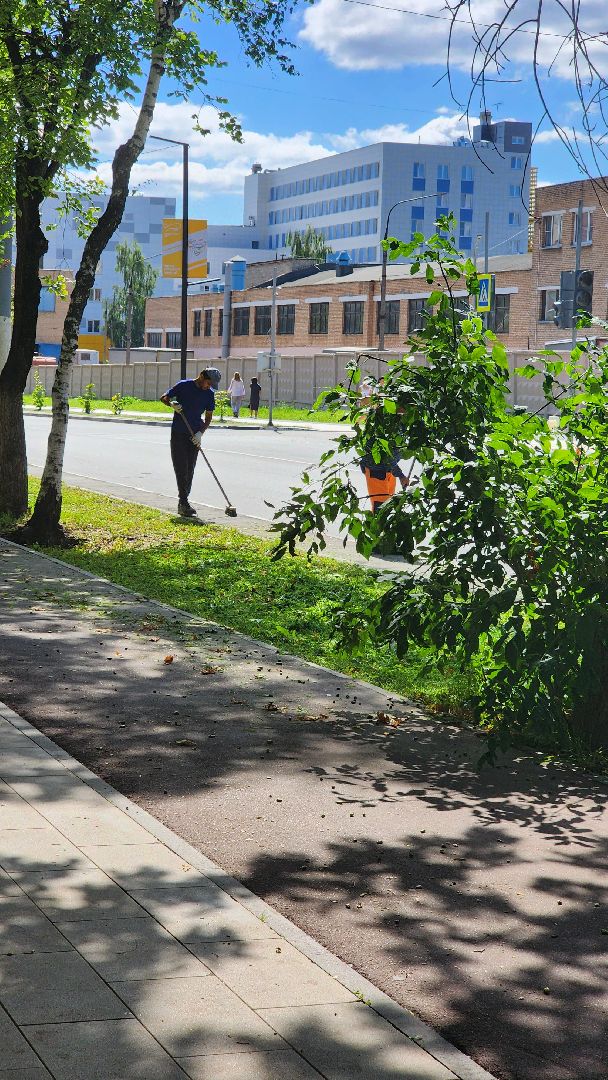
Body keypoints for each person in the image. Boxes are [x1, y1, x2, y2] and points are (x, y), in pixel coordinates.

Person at [160, 368, 218, 517]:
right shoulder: (183, 386)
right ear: (201, 376)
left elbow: (208, 418)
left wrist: (200, 433)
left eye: (211, 385)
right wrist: (172, 404)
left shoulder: (209, 394)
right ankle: (183, 501)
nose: (208, 386)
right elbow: (164, 397)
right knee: (181, 467)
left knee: (190, 468)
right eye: (208, 383)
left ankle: (184, 502)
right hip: (179, 432)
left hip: (194, 435)